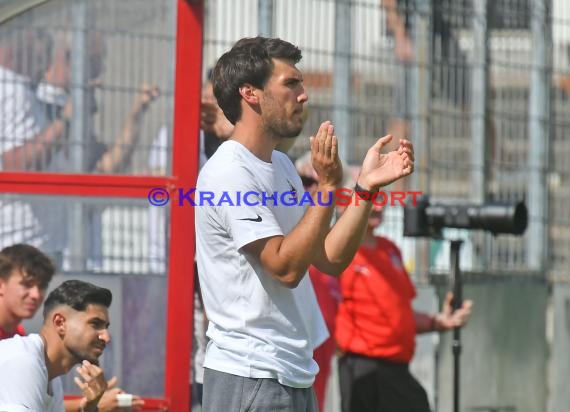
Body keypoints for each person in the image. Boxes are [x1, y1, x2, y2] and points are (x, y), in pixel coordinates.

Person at [195, 36, 414, 412]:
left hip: (292, 372)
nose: (303, 95)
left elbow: (328, 256)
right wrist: (328, 187)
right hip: (250, 375)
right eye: (291, 83)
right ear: (251, 94)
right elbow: (285, 267)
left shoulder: (279, 165)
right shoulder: (229, 172)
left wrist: (364, 190)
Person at [334, 182, 473, 412]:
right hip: (361, 365)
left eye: (380, 199)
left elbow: (400, 312)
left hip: (397, 368)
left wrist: (438, 322)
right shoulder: (337, 252)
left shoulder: (390, 249)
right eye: (371, 199)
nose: (378, 207)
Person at [0, 244, 144, 412]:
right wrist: (86, 405)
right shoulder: (22, 358)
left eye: (42, 286)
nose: (36, 294)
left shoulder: (41, 363)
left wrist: (90, 406)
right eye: (27, 284)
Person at [0, 279, 113, 411]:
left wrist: (90, 408)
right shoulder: (22, 361)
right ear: (60, 323)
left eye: (105, 327)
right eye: (95, 324)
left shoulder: (53, 379)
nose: (106, 337)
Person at [295, 151, 341, 411]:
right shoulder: (282, 232)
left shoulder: (333, 242)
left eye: (319, 181)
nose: (312, 187)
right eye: (304, 180)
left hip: (322, 345)